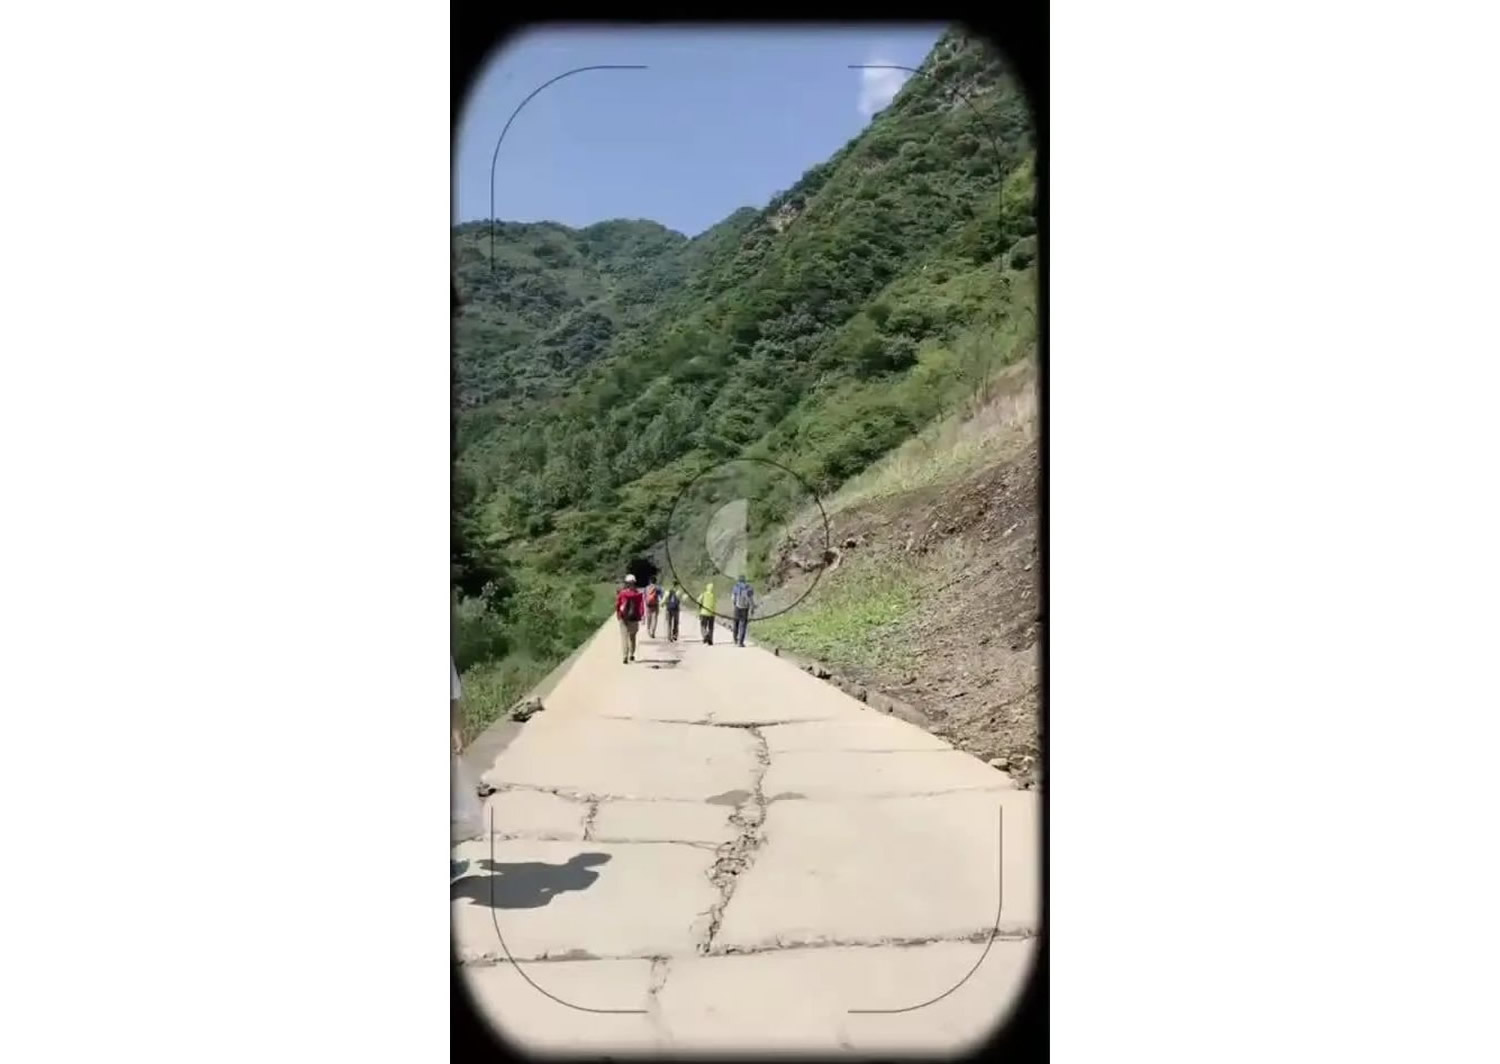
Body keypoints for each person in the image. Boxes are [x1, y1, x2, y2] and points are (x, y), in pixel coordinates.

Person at [616, 573, 645, 663]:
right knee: (632, 637)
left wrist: (618, 614)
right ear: (634, 582)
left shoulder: (622, 593)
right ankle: (631, 654)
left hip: (623, 617)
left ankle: (625, 656)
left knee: (624, 637)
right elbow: (641, 606)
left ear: (626, 583)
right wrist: (642, 615)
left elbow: (617, 604)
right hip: (634, 618)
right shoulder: (638, 594)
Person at [730, 575, 756, 647]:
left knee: (736, 623)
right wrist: (752, 608)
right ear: (745, 580)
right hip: (745, 608)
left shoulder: (736, 587)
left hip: (737, 607)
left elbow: (733, 598)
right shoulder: (749, 588)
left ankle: (735, 639)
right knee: (743, 625)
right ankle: (740, 642)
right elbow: (751, 599)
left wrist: (734, 604)